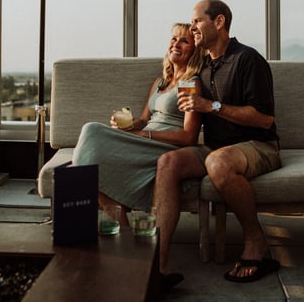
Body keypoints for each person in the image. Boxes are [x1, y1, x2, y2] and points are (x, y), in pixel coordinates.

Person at [154, 0, 282, 285]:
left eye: (198, 21)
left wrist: (210, 106)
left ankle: (256, 241)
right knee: (168, 162)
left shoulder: (248, 59)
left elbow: (264, 120)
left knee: (218, 163)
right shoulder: (204, 68)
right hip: (215, 147)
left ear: (219, 22)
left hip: (259, 145)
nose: (193, 27)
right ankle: (157, 264)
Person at [71, 22, 205, 228]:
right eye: (173, 39)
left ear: (194, 51)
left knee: (91, 129)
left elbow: (189, 136)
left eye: (184, 41)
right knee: (91, 174)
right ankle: (126, 237)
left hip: (164, 146)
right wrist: (131, 124)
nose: (176, 44)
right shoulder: (161, 81)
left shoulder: (189, 83)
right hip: (143, 139)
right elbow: (144, 119)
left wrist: (145, 135)